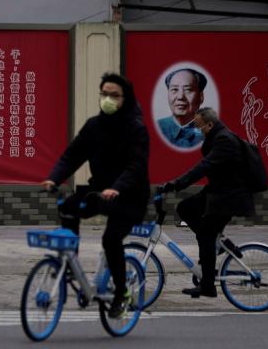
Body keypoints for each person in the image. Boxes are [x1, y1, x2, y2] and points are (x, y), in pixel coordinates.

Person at [40, 73, 150, 318]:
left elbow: (136, 167)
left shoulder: (136, 128)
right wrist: (54, 178)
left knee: (111, 239)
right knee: (68, 207)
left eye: (114, 95)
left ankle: (122, 293)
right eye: (104, 94)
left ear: (125, 98)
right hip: (99, 192)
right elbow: (72, 155)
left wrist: (118, 187)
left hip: (129, 197)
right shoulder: (94, 126)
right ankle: (71, 264)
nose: (108, 99)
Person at [160, 107, 254, 298]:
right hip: (218, 191)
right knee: (185, 208)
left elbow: (204, 167)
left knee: (205, 236)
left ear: (210, 125)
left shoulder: (224, 141)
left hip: (230, 196)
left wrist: (177, 183)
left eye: (198, 126)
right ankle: (221, 243)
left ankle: (208, 285)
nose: (196, 130)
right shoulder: (215, 137)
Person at [156, 68, 207, 149]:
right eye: (174, 89)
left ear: (201, 97)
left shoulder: (210, 132)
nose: (180, 97)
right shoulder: (156, 128)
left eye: (188, 90)